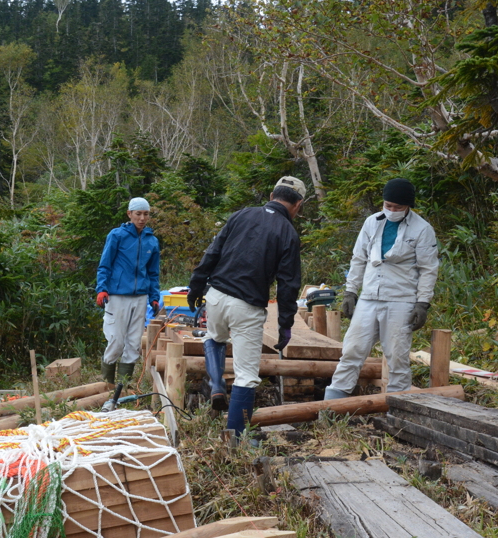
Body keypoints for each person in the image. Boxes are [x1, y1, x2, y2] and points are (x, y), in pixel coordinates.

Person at [186, 177, 304, 438]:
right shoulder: (288, 233)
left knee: (214, 337)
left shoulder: (241, 215)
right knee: (246, 376)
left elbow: (212, 252)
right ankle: (236, 439)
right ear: (298, 205)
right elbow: (288, 285)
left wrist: (195, 286)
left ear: (272, 194)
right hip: (246, 307)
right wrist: (285, 323)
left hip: (215, 296)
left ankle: (216, 384)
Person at [324, 178, 439, 399]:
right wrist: (350, 292)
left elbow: (428, 269)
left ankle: (397, 408)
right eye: (388, 206)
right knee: (351, 350)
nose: (392, 211)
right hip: (368, 297)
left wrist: (422, 303)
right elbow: (358, 259)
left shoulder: (422, 229)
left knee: (397, 356)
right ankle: (333, 405)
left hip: (401, 299)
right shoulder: (372, 222)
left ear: (408, 206)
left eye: (398, 207)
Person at [96, 197, 161, 384]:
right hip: (117, 295)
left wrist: (154, 297)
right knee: (116, 341)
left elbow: (153, 273)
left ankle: (123, 387)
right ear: (129, 214)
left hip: (140, 297)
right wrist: (102, 289)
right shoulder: (117, 235)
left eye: (146, 214)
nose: (142, 218)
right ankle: (106, 385)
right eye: (138, 213)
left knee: (133, 343)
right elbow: (104, 265)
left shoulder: (152, 241)